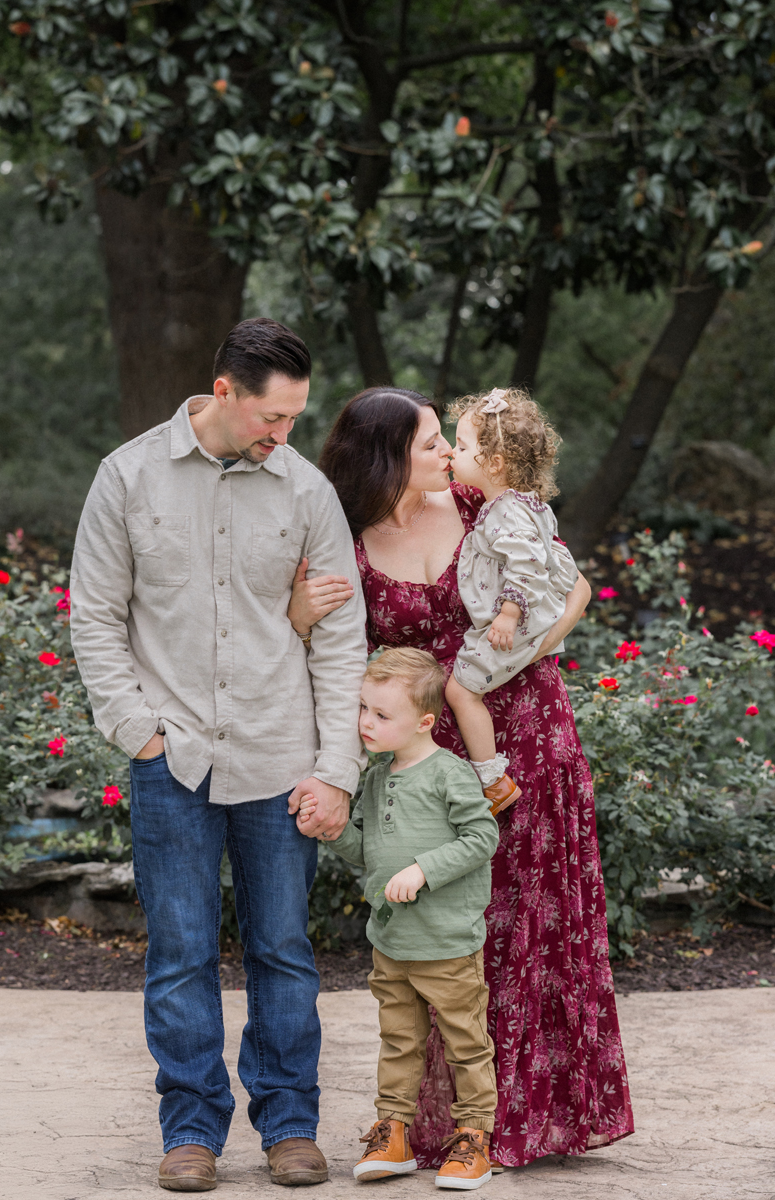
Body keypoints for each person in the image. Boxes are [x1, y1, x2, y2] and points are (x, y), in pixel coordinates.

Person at [287, 386, 634, 1170]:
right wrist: (300, 617)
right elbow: (315, 648)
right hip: (425, 765)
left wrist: (523, 652)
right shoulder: (340, 537)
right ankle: (443, 1123)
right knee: (446, 940)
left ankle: (525, 1121)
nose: (448, 453)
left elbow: (570, 589)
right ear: (385, 460)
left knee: (530, 924)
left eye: (450, 438)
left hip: (527, 743)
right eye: (430, 442)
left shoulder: (482, 505)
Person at [69, 318, 368, 1192]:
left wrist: (337, 767)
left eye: (296, 417)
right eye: (272, 416)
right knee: (181, 951)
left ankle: (289, 1126)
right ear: (224, 390)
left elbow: (340, 638)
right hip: (175, 759)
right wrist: (140, 734)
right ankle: (190, 1131)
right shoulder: (127, 476)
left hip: (282, 756)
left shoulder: (307, 490)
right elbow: (95, 617)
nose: (284, 434)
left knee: (282, 948)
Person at [299, 648, 499, 1190]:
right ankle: (394, 1132)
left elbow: (484, 837)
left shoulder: (449, 774)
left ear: (425, 722)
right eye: (364, 709)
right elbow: (368, 852)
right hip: (390, 941)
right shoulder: (375, 776)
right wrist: (333, 831)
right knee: (398, 1039)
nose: (366, 722)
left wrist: (424, 870)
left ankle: (475, 1138)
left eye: (382, 715)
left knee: (466, 1042)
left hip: (447, 943)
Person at [443, 388, 579, 815]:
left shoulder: (507, 512)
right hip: (525, 621)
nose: (452, 453)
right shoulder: (525, 505)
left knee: (461, 691)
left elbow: (526, 563)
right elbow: (556, 560)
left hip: (514, 625)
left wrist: (509, 613)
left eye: (462, 447)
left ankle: (492, 780)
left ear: (495, 464)